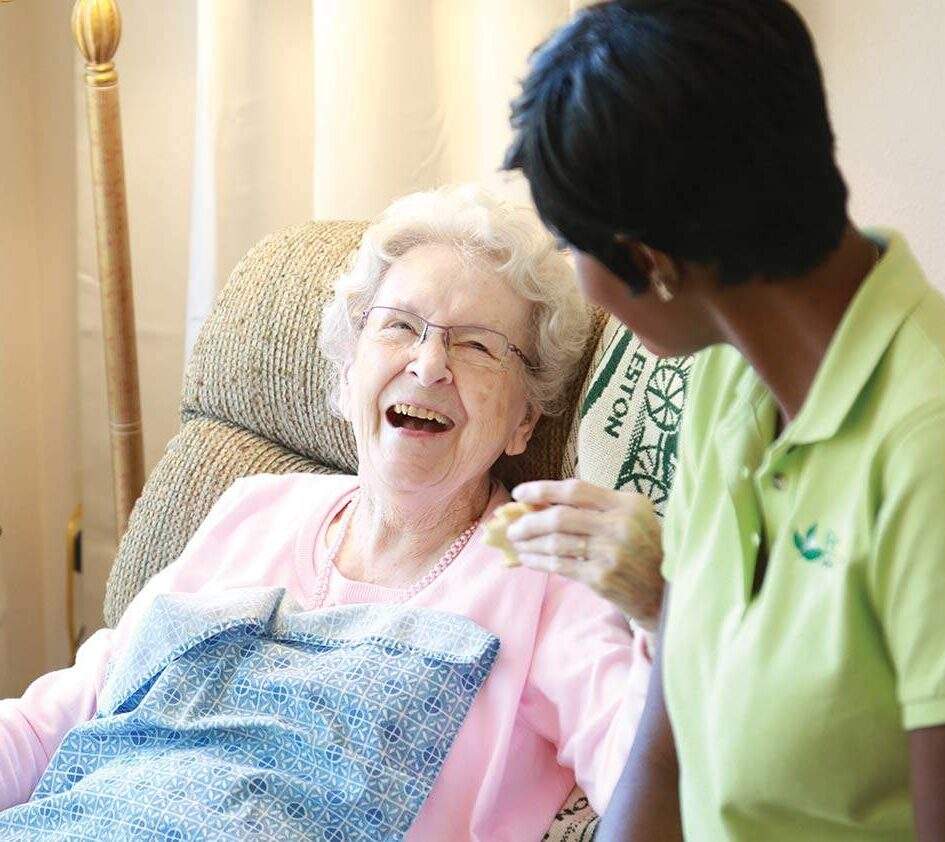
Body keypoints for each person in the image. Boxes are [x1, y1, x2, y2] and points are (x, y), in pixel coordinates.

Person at [0, 185, 664, 841]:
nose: (429, 364)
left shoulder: (545, 573)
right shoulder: (255, 506)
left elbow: (664, 790)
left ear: (524, 419)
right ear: (347, 374)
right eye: (400, 325)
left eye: (477, 346)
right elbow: (62, 715)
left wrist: (663, 612)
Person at [503, 1, 945, 839]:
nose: (578, 279)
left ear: (651, 260)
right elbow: (666, 746)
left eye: (574, 247)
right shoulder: (725, 374)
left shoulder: (942, 449)